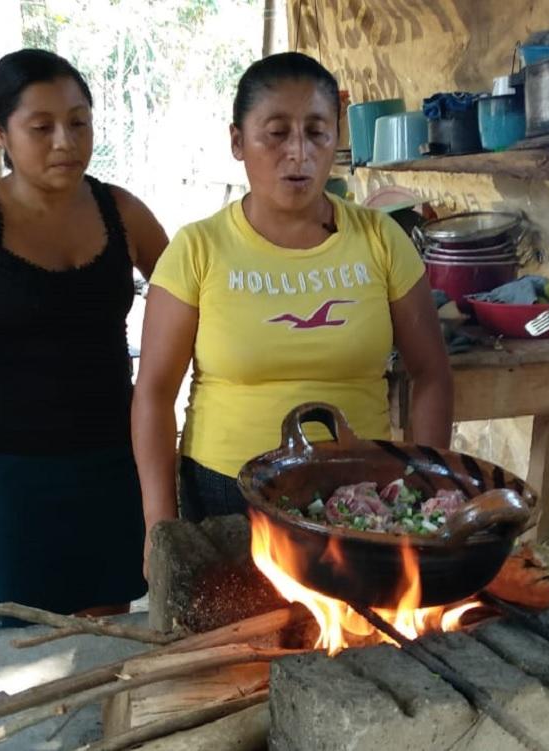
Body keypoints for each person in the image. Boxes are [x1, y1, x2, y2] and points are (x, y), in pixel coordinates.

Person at [132, 52, 453, 572]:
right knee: (244, 646)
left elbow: (432, 373)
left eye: (317, 132)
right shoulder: (198, 249)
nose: (298, 152)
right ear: (237, 141)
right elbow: (152, 395)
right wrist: (159, 528)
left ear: (336, 137)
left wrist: (425, 483)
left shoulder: (380, 240)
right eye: (276, 133)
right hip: (226, 495)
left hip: (361, 490)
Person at [0, 48, 168, 628]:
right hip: (9, 474)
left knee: (105, 630)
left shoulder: (123, 213)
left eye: (79, 122)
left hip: (111, 461)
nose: (65, 141)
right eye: (41, 127)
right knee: (13, 636)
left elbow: (191, 296)